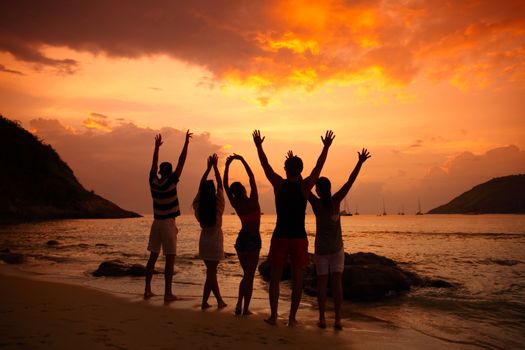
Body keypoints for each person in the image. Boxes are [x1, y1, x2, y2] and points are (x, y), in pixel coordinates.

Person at [252, 129, 335, 326]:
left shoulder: (279, 184)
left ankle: (273, 316)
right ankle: (292, 318)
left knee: (275, 278)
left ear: (287, 169)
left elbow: (265, 166)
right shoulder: (305, 187)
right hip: (298, 237)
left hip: (281, 236)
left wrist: (259, 146)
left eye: (284, 166)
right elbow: (318, 168)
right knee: (298, 279)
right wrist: (325, 147)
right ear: (300, 170)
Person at [308, 148, 371, 330]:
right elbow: (350, 181)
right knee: (336, 284)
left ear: (318, 190)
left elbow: (304, 187)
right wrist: (359, 162)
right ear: (329, 189)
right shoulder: (336, 201)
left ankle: (321, 319)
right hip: (336, 250)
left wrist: (298, 171)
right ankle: (337, 319)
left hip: (321, 250)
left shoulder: (316, 204)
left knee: (321, 285)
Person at [145, 131, 192, 302]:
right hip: (168, 223)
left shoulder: (153, 182)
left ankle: (147, 290)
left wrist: (156, 148)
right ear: (170, 172)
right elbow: (182, 161)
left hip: (156, 222)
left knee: (153, 256)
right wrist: (186, 143)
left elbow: (153, 165)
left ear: (159, 171)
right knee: (170, 259)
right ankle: (168, 293)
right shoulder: (171, 182)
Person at [224, 154, 261, 316]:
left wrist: (227, 166)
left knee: (247, 275)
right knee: (249, 276)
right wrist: (242, 160)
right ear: (244, 190)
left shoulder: (236, 203)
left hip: (241, 240)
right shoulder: (253, 200)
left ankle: (239, 304)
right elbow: (252, 177)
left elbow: (225, 185)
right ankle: (244, 308)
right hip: (252, 240)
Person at [193, 153, 227, 310]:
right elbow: (220, 185)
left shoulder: (199, 207)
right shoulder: (218, 205)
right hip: (215, 242)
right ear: (212, 191)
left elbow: (201, 187)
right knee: (211, 274)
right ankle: (218, 301)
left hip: (204, 241)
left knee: (210, 273)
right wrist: (214, 168)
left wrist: (207, 169)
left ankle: (205, 302)